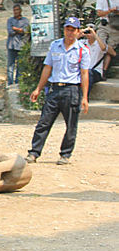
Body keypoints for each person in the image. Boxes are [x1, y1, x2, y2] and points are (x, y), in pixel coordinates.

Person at [26, 17, 90, 166]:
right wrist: (38, 88)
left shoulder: (82, 50)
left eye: (73, 30)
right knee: (44, 122)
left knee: (71, 125)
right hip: (55, 89)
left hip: (72, 90)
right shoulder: (55, 46)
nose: (70, 32)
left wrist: (84, 97)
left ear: (78, 31)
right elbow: (47, 68)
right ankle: (34, 152)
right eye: (68, 29)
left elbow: (84, 73)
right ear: (64, 30)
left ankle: (65, 154)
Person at [95, 0, 119, 76]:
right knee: (101, 45)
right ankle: (98, 68)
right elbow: (99, 13)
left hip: (116, 26)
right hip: (104, 24)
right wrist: (110, 11)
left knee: (110, 46)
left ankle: (104, 71)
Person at [6, 4, 30, 85]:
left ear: (20, 11)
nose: (15, 12)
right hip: (11, 45)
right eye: (14, 10)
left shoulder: (25, 20)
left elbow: (25, 31)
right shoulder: (10, 20)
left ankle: (17, 82)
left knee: (20, 65)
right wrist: (19, 30)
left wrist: (15, 29)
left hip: (21, 45)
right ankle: (9, 82)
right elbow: (10, 31)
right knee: (10, 65)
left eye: (17, 10)